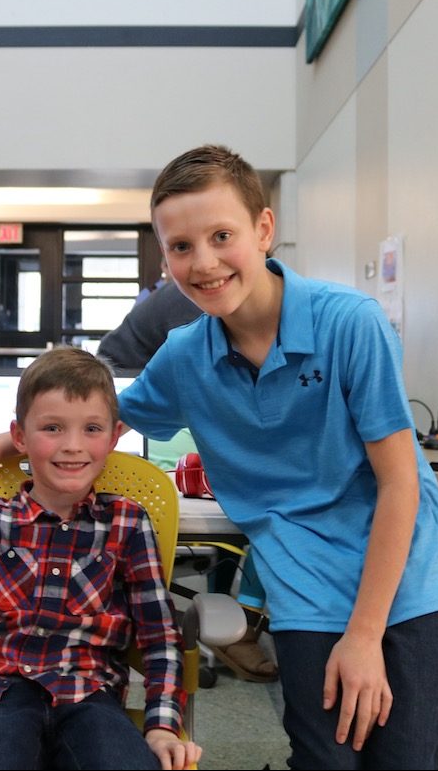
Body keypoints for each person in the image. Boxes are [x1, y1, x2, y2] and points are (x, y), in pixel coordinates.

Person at [0, 146, 438, 770]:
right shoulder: (183, 355)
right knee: (329, 760)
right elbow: (96, 424)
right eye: (179, 247)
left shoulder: (350, 325)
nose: (203, 263)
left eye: (221, 236)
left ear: (263, 229)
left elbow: (399, 486)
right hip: (304, 582)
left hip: (399, 579)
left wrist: (365, 635)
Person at [0, 347, 200, 771]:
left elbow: (159, 637)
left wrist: (161, 725)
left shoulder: (128, 523)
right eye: (53, 428)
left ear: (115, 437)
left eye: (91, 428)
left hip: (91, 694)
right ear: (19, 436)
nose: (73, 446)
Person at [98, 273, 278, 684]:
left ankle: (232, 620)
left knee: (251, 503)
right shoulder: (201, 312)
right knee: (243, 492)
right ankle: (238, 624)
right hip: (134, 385)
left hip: (154, 389)